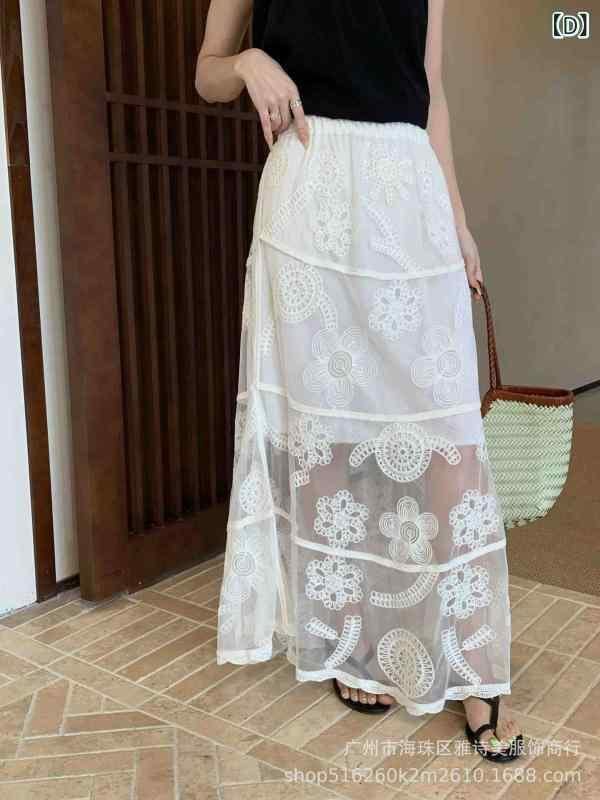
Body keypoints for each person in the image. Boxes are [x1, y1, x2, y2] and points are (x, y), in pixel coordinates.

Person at [196, 0, 524, 761]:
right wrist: (247, 62)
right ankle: (349, 638)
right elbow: (207, 72)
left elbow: (431, 89)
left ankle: (471, 657)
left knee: (443, 431)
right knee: (327, 432)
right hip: (309, 195)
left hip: (407, 192)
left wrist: (458, 221)